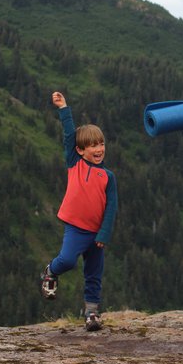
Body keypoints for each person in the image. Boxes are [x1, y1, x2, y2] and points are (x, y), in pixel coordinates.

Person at [40, 91, 118, 332]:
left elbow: (112, 207)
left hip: (96, 234)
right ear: (81, 150)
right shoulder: (75, 163)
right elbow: (68, 134)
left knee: (93, 274)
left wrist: (104, 234)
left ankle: (91, 314)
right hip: (75, 228)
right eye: (93, 145)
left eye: (101, 144)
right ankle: (51, 271)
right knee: (67, 261)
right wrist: (64, 108)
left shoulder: (108, 176)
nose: (99, 148)